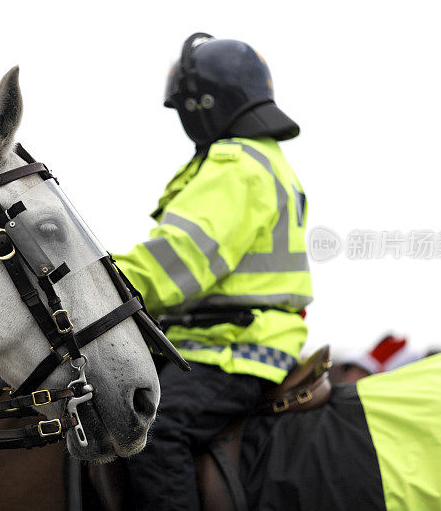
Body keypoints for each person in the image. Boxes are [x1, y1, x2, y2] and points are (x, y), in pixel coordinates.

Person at [113, 33, 313, 510]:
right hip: (227, 344)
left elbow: (175, 264)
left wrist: (92, 285)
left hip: (231, 350)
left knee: (155, 432)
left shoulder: (236, 166)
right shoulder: (262, 161)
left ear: (203, 106)